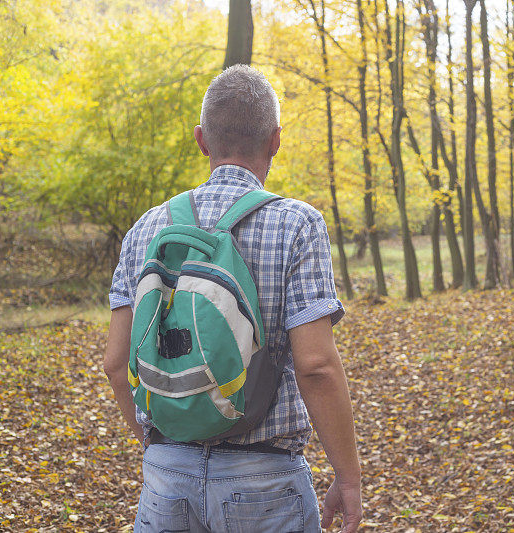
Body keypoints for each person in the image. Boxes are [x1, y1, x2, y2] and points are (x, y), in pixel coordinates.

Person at [103, 64, 362, 533]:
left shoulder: (145, 229)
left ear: (202, 140)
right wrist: (348, 478)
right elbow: (316, 366)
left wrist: (156, 447)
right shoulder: (297, 225)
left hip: (166, 477)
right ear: (275, 141)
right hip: (266, 485)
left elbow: (115, 361)